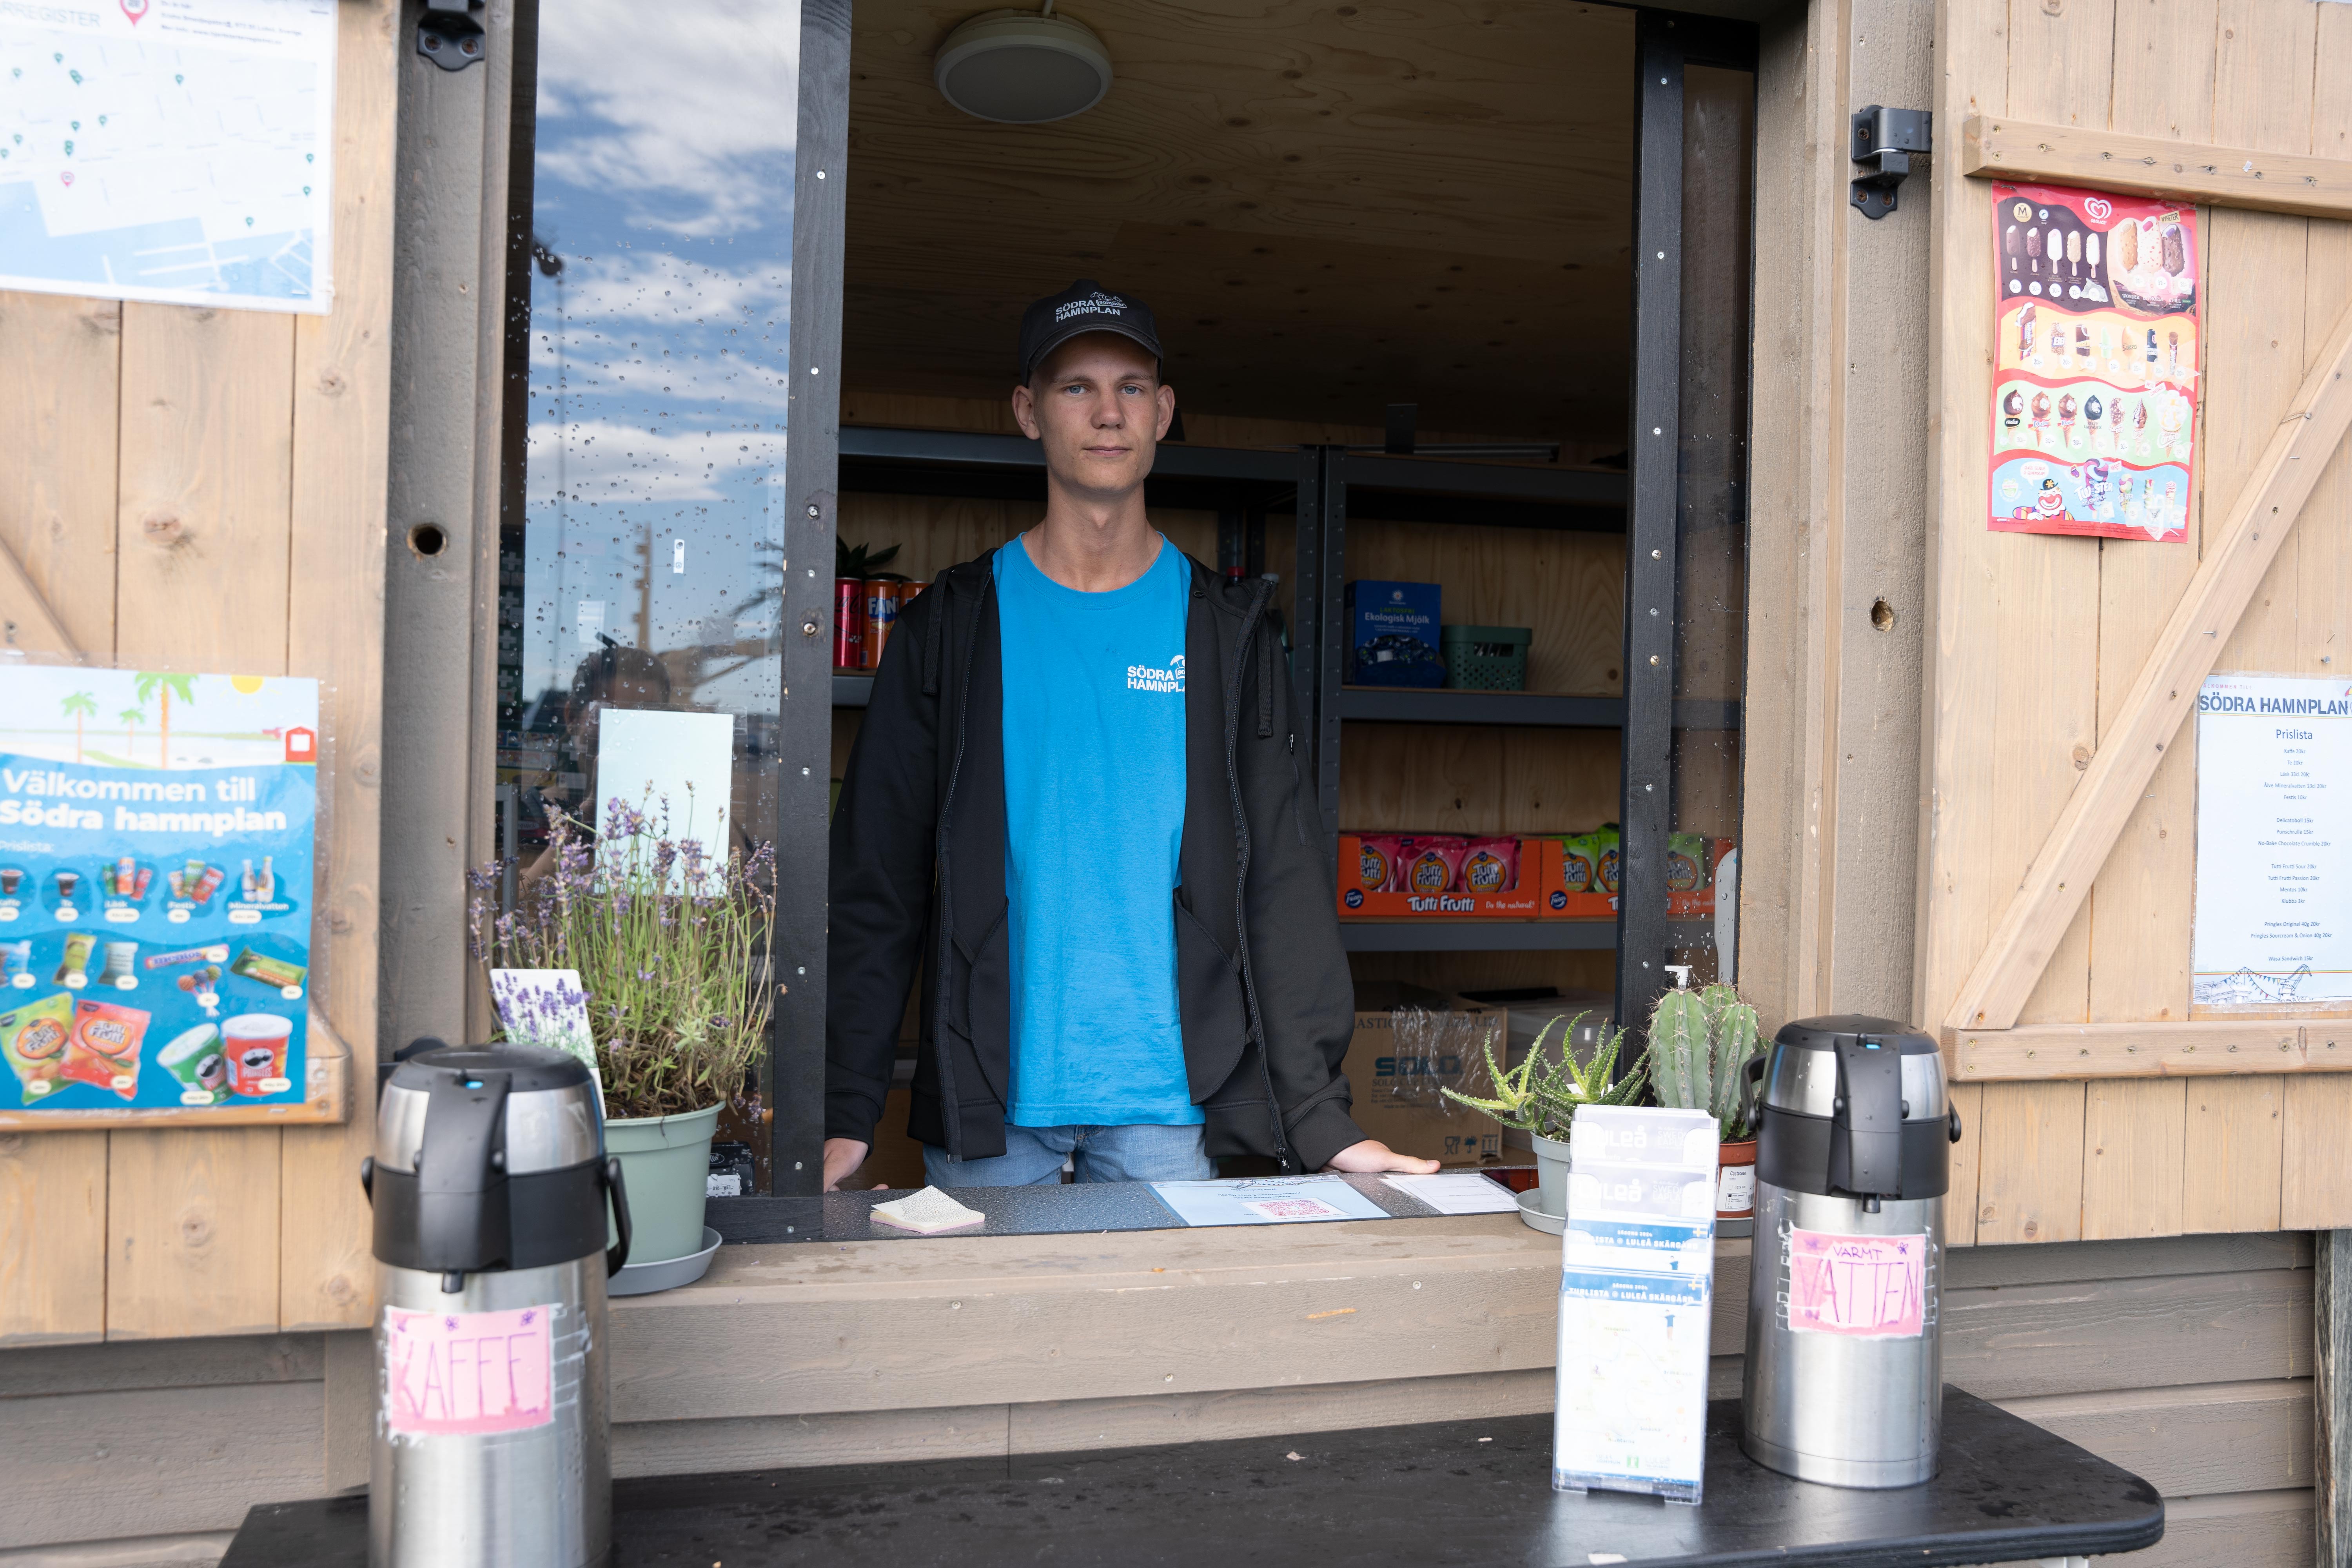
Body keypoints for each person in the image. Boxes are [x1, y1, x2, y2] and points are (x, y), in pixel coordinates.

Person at [824, 280, 1439, 1190]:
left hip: (1170, 1112)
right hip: (993, 1105)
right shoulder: (950, 629)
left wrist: (1320, 1119)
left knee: (1166, 1339)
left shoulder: (1228, 634)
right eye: (1077, 387)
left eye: (1131, 387)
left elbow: (1281, 876)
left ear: (1164, 412)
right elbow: (878, 882)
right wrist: (842, 1112)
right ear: (1029, 412)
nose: (1107, 412)